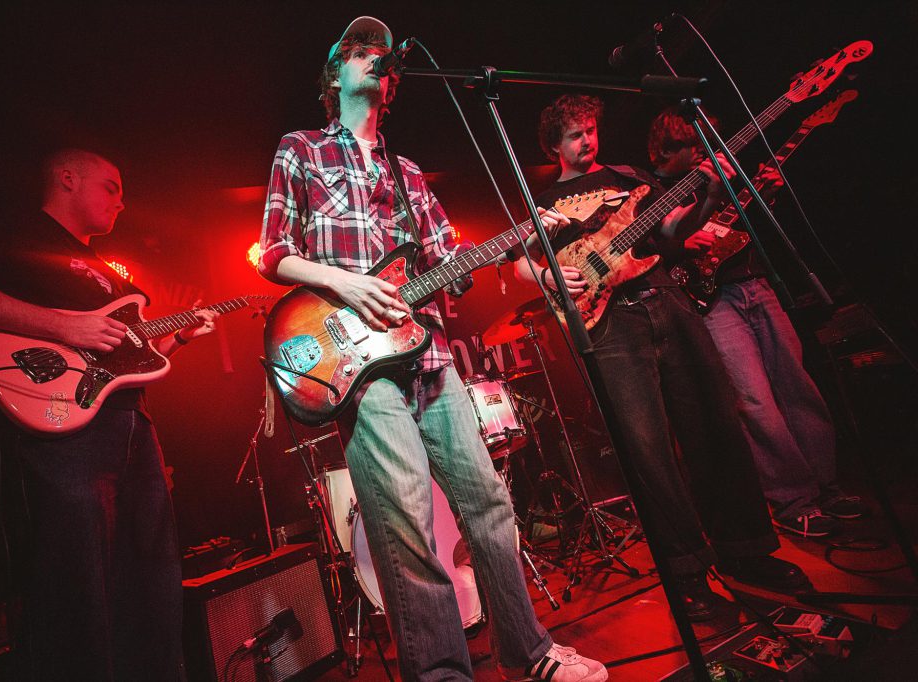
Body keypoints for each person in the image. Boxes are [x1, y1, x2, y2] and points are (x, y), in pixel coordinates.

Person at [257, 16, 607, 682]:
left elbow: (453, 262)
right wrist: (347, 285)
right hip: (358, 368)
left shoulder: (408, 172)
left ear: (392, 85)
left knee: (489, 505)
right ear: (335, 75)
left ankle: (530, 654)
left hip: (431, 357)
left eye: (380, 53)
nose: (373, 57)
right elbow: (273, 253)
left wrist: (521, 252)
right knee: (408, 525)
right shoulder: (300, 149)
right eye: (357, 50)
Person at [0, 149, 217, 680]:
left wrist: (178, 338)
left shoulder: (108, 272)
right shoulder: (15, 233)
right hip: (61, 428)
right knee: (76, 584)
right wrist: (63, 326)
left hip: (132, 425)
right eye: (111, 187)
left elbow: (125, 359)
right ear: (68, 178)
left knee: (149, 581)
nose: (122, 202)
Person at [513, 94, 809, 622]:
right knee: (648, 449)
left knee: (716, 423)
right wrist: (548, 277)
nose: (587, 140)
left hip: (666, 298)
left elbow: (672, 231)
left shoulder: (629, 177)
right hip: (611, 324)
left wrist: (710, 194)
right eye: (576, 135)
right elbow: (518, 264)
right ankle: (688, 574)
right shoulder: (546, 201)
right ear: (554, 144)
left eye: (591, 130)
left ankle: (746, 551)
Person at [648, 106, 866, 537]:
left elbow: (738, 227)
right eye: (691, 145)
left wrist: (762, 194)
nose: (701, 152)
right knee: (755, 401)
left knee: (797, 385)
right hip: (713, 300)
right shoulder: (653, 190)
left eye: (703, 142)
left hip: (756, 282)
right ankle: (793, 500)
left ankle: (827, 487)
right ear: (666, 149)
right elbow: (657, 248)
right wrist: (689, 235)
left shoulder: (719, 173)